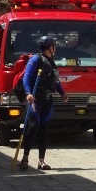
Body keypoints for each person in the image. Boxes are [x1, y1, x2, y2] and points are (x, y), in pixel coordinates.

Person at [18, 36, 67, 171]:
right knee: (32, 128)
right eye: (54, 45)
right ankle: (25, 158)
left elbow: (56, 81)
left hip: (47, 99)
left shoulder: (52, 63)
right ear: (49, 47)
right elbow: (27, 77)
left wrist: (62, 93)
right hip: (35, 99)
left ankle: (41, 161)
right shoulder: (35, 60)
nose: (55, 48)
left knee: (44, 130)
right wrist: (28, 93)